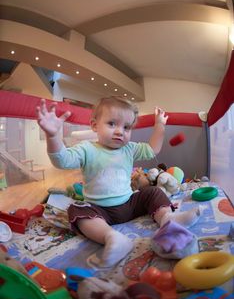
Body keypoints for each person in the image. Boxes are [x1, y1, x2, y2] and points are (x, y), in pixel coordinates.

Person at [37, 96, 200, 267]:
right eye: (112, 124)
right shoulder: (86, 148)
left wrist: (160, 125)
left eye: (126, 127)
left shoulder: (129, 149)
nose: (120, 131)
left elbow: (153, 149)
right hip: (100, 211)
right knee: (76, 210)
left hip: (129, 203)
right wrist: (53, 135)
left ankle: (168, 218)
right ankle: (112, 237)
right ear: (94, 125)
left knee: (152, 192)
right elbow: (62, 161)